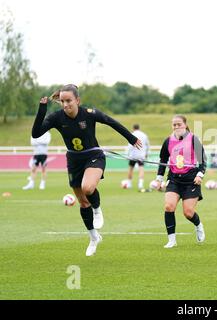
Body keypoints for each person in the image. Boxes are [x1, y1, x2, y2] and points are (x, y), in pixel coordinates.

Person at [31, 84, 142, 256]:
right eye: (62, 101)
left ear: (77, 100)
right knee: (83, 202)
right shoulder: (56, 117)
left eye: (69, 101)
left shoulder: (89, 114)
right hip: (74, 161)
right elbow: (36, 133)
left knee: (88, 188)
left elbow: (111, 122)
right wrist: (42, 109)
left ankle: (97, 210)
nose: (65, 104)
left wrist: (131, 138)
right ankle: (93, 237)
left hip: (94, 156)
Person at [153, 115, 207, 248]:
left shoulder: (193, 139)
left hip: (191, 180)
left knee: (188, 213)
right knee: (169, 206)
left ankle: (198, 225)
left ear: (185, 125)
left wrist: (200, 175)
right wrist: (159, 178)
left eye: (179, 124)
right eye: (174, 125)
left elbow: (203, 160)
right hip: (174, 179)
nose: (177, 127)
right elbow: (163, 161)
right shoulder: (168, 141)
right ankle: (171, 240)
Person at [124, 124, 150, 190]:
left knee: (130, 169)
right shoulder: (144, 135)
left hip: (133, 155)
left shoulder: (132, 134)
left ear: (133, 128)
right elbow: (147, 145)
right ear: (139, 128)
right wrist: (146, 153)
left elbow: (129, 146)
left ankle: (129, 184)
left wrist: (127, 154)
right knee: (141, 169)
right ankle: (140, 184)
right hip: (141, 155)